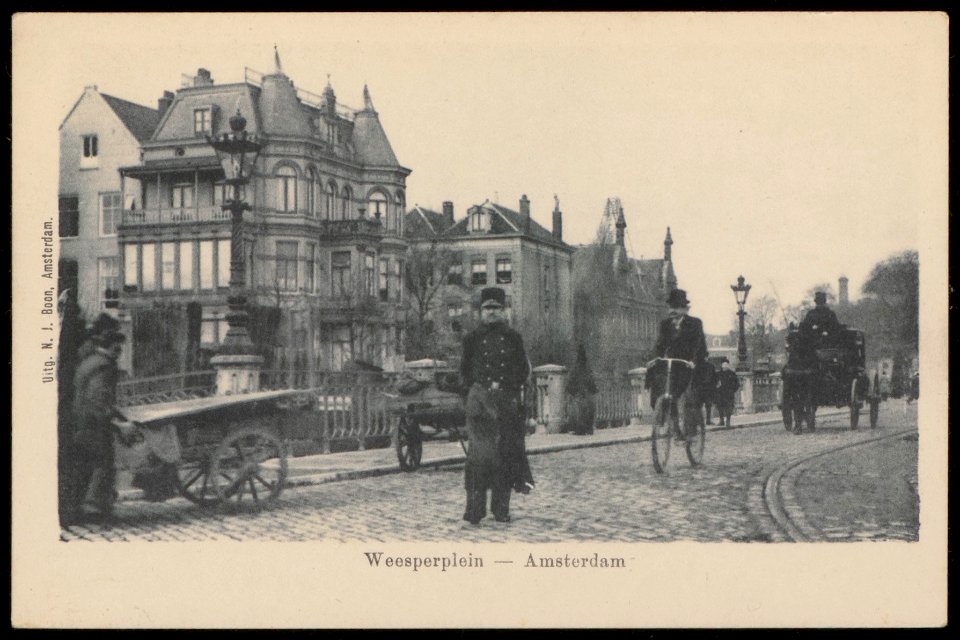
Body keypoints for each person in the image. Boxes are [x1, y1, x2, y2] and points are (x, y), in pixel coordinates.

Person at [459, 287, 531, 525]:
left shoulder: (513, 338)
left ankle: (501, 510)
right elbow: (464, 372)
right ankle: (475, 511)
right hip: (479, 403)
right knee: (478, 458)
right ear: (481, 311)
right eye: (487, 308)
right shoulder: (472, 339)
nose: (491, 313)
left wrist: (507, 387)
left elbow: (522, 370)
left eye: (496, 308)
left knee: (505, 456)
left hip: (505, 402)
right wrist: (476, 392)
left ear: (503, 311)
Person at [68, 314, 137, 523]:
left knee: (87, 466)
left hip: (79, 422)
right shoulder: (105, 366)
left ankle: (84, 507)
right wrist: (119, 423)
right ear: (113, 346)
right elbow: (98, 400)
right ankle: (94, 508)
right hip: (92, 426)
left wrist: (115, 413)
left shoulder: (89, 361)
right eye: (119, 347)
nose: (120, 352)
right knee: (103, 463)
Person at [650, 289, 708, 437]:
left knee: (691, 394)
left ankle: (691, 427)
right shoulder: (665, 324)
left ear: (685, 309)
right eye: (671, 307)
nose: (673, 311)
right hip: (673, 363)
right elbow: (660, 344)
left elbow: (698, 344)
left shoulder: (695, 323)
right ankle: (668, 420)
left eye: (676, 307)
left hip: (692, 362)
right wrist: (656, 357)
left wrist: (693, 360)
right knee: (662, 386)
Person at [715, 358, 740, 427]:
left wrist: (732, 390)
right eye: (724, 364)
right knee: (720, 407)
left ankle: (728, 421)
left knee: (729, 408)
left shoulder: (732, 374)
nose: (725, 366)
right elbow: (714, 383)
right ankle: (721, 420)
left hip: (729, 394)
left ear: (728, 365)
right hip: (720, 393)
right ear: (721, 365)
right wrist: (716, 388)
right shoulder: (718, 374)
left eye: (726, 364)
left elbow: (737, 384)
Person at [701, 361, 718, 425]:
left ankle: (706, 421)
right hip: (707, 389)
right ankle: (706, 421)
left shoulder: (710, 366)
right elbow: (715, 377)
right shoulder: (710, 366)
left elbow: (715, 377)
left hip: (704, 389)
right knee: (707, 405)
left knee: (706, 405)